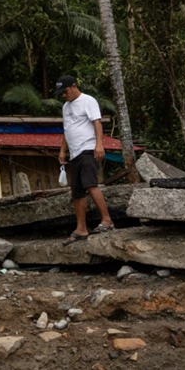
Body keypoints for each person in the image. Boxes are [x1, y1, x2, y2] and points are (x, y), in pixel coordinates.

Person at [55, 75, 114, 245]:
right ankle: (81, 228)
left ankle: (107, 220)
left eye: (65, 91)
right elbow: (67, 129)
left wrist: (99, 145)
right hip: (74, 153)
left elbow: (97, 123)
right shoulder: (66, 107)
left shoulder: (88, 101)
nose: (63, 95)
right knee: (77, 191)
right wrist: (63, 150)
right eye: (61, 93)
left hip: (87, 148)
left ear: (74, 86)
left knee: (90, 184)